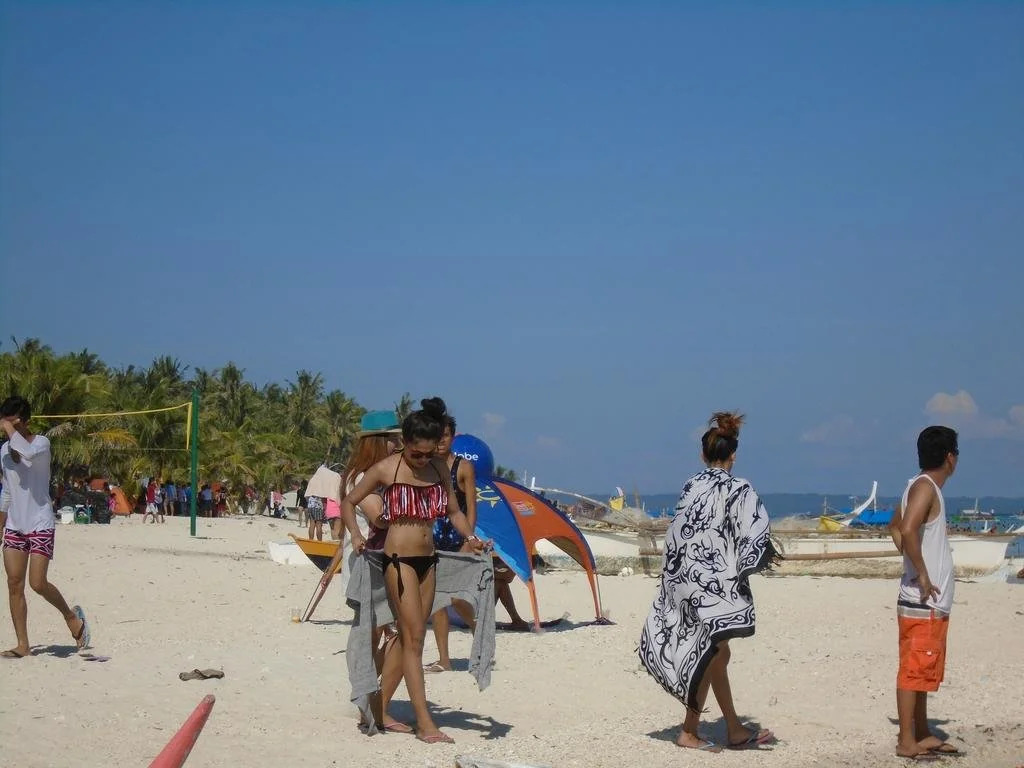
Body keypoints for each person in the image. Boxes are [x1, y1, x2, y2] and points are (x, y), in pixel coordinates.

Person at [341, 397, 485, 744]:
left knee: (408, 638)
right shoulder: (386, 469)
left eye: (428, 453)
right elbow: (349, 501)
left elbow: (454, 511)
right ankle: (425, 723)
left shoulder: (438, 469)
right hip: (398, 561)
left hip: (428, 560)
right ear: (404, 442)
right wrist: (356, 534)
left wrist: (471, 537)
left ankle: (377, 706)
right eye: (416, 454)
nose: (422, 460)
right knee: (416, 637)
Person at [638, 412, 776, 752]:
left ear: (703, 455)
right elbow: (755, 529)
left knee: (716, 652)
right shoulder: (739, 487)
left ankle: (733, 728)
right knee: (712, 651)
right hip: (713, 584)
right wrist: (746, 564)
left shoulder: (691, 485)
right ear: (733, 455)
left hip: (684, 580)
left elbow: (680, 533)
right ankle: (691, 731)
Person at [320, 410, 406, 731]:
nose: (399, 444)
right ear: (378, 442)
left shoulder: (373, 474)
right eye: (394, 439)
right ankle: (373, 706)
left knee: (385, 634)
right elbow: (380, 516)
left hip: (381, 564)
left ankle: (371, 702)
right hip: (369, 566)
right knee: (378, 636)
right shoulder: (362, 477)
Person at [889, 426, 961, 760]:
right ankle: (907, 741)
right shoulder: (924, 487)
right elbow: (905, 528)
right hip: (922, 601)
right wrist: (920, 572)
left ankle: (921, 732)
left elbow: (895, 526)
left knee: (922, 668)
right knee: (913, 669)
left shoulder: (918, 486)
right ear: (950, 458)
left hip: (927, 601)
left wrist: (911, 561)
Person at [0, 396, 90, 658]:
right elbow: (7, 490)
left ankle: (70, 616)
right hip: (15, 525)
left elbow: (26, 453)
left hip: (40, 522)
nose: (7, 428)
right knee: (14, 583)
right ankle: (23, 645)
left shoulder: (41, 444)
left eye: (13, 422)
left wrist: (9, 428)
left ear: (25, 421)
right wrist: (1, 524)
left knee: (37, 583)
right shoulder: (4, 450)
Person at [425, 414, 479, 673]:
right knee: (437, 601)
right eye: (437, 436)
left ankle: (477, 630)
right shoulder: (427, 466)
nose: (440, 441)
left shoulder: (464, 467)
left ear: (452, 437)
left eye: (445, 436)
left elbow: (471, 509)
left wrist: (469, 540)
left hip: (459, 542)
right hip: (432, 542)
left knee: (457, 599)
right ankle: (444, 659)